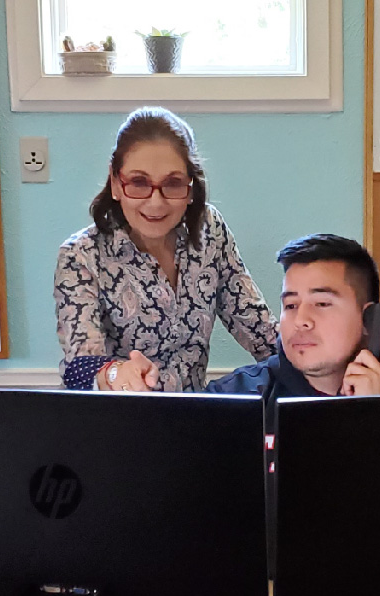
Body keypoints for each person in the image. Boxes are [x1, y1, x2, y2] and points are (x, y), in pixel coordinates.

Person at [55, 107, 276, 392]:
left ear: (192, 187)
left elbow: (259, 330)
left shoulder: (210, 230)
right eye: (138, 182)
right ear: (115, 183)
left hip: (195, 417)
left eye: (173, 184)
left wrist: (329, 356)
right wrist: (115, 374)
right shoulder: (80, 255)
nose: (156, 202)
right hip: (116, 422)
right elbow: (79, 369)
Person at [207, 234, 380, 397]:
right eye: (291, 305)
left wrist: (373, 415)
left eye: (321, 303)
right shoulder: (234, 398)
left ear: (369, 319)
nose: (301, 321)